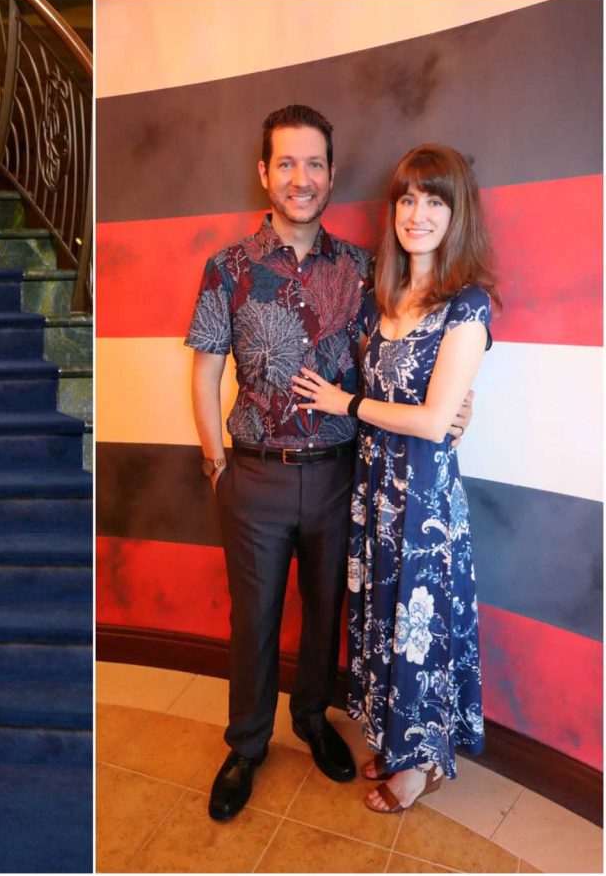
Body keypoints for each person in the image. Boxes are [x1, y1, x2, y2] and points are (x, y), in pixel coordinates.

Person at [186, 105, 472, 823]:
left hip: (343, 475)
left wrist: (457, 412)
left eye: (315, 163)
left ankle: (312, 719)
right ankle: (246, 745)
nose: (301, 177)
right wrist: (216, 463)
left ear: (331, 173)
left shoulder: (363, 269)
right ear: (264, 173)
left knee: (326, 613)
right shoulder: (227, 269)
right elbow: (203, 372)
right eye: (287, 162)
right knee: (253, 619)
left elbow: (398, 365)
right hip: (252, 473)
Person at [291, 144, 497, 813]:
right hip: (375, 486)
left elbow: (436, 421)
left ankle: (421, 763)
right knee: (383, 617)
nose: (419, 213)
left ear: (456, 212)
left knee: (420, 623)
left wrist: (345, 404)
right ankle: (399, 738)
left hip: (424, 499)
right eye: (408, 199)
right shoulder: (383, 291)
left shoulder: (467, 303)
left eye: (435, 200)